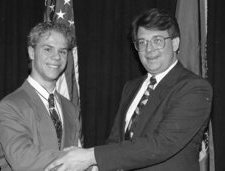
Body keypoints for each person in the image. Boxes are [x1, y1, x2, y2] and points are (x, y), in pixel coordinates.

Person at [45, 8, 213, 171]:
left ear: (175, 43)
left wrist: (91, 156)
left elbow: (161, 144)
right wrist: (93, 166)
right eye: (142, 42)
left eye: (157, 40)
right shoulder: (131, 87)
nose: (149, 49)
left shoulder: (194, 88)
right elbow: (116, 142)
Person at [0, 22, 81, 171]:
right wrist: (81, 160)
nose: (56, 57)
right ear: (31, 52)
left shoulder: (71, 108)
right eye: (48, 49)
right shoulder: (10, 106)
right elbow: (22, 159)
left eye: (62, 51)